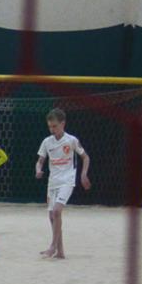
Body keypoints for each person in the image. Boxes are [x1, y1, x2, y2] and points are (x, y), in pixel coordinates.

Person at [35, 108, 91, 259]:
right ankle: (60, 252)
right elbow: (40, 161)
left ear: (63, 124)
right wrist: (38, 170)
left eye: (55, 126)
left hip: (67, 181)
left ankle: (52, 246)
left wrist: (83, 174)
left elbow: (85, 157)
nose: (52, 129)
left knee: (57, 211)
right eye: (50, 126)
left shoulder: (71, 140)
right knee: (52, 216)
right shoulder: (47, 142)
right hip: (52, 182)